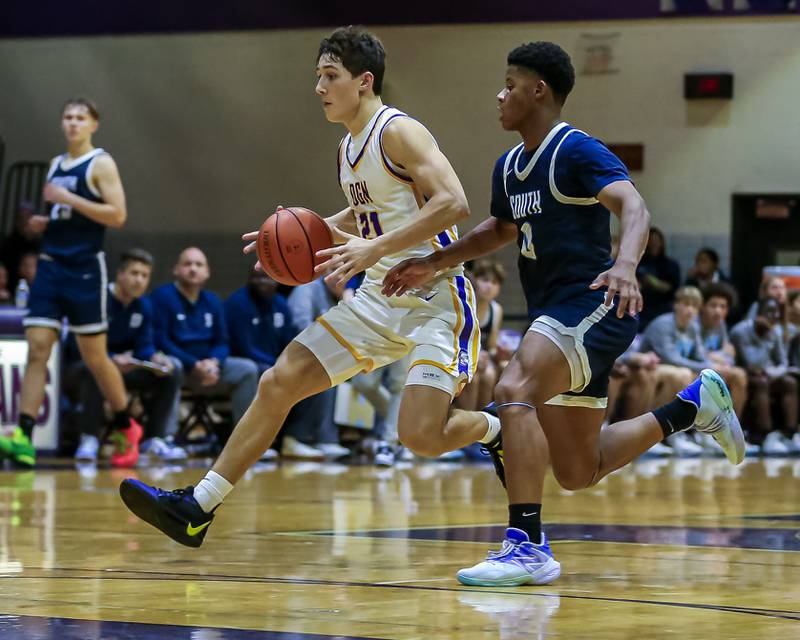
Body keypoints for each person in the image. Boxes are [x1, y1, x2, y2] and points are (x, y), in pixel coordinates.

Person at [382, 41, 744, 586]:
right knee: (579, 469)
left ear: (538, 90)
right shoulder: (508, 166)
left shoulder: (575, 149)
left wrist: (625, 264)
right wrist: (434, 261)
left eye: (509, 84)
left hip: (593, 301)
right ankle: (691, 408)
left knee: (514, 387)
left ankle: (525, 545)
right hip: (557, 315)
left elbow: (634, 206)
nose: (499, 95)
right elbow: (500, 230)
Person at [119, 26, 497, 548]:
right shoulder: (347, 149)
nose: (319, 87)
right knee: (278, 382)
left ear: (364, 81)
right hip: (377, 299)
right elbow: (367, 213)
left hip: (435, 299)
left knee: (419, 436)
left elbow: (454, 203)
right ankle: (198, 507)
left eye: (330, 76)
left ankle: (493, 428)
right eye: (317, 76)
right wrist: (306, 229)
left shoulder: (399, 132)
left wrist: (374, 249)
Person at [0, 97, 142, 468]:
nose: (72, 123)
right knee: (38, 348)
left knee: (95, 357)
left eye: (80, 117)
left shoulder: (101, 163)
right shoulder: (55, 165)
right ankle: (24, 435)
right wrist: (47, 222)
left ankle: (128, 425)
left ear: (94, 124)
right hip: (50, 265)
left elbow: (117, 214)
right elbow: (66, 212)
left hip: (84, 269)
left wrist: (68, 198)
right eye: (67, 117)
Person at [71, 249, 185, 464]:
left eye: (144, 275)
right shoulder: (97, 300)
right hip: (85, 365)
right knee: (95, 369)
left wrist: (155, 358)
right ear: (120, 274)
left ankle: (155, 438)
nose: (139, 280)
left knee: (171, 371)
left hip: (126, 368)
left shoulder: (144, 305)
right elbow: (75, 347)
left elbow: (144, 346)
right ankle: (89, 438)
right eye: (134, 273)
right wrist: (110, 359)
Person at [150, 247, 259, 432]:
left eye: (198, 264)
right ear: (176, 270)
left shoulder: (213, 300)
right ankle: (165, 438)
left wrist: (213, 362)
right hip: (182, 368)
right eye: (187, 264)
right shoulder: (162, 297)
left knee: (247, 369)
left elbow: (222, 341)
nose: (193, 268)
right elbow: (161, 340)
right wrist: (194, 365)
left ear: (207, 272)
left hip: (210, 369)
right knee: (171, 366)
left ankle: (245, 437)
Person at [731, 297, 799, 454]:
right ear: (757, 313)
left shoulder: (773, 332)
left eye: (776, 312)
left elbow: (783, 363)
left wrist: (772, 373)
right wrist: (766, 340)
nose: (774, 316)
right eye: (769, 311)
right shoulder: (741, 331)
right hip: (745, 375)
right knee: (761, 382)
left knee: (790, 382)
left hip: (767, 374)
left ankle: (789, 434)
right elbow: (752, 363)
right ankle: (764, 434)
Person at [636, 227, 681, 329]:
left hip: (664, 309)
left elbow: (673, 289)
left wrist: (653, 281)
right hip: (642, 310)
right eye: (650, 241)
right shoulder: (638, 263)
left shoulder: (671, 264)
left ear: (662, 243)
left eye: (656, 241)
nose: (653, 244)